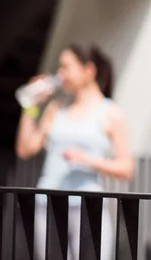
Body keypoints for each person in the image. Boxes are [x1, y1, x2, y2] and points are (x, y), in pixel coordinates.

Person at [15, 43, 134, 260]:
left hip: (88, 207)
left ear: (88, 70)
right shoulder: (56, 108)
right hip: (48, 202)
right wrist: (30, 105)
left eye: (66, 67)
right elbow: (25, 149)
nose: (60, 74)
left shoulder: (110, 113)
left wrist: (87, 159)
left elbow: (126, 169)